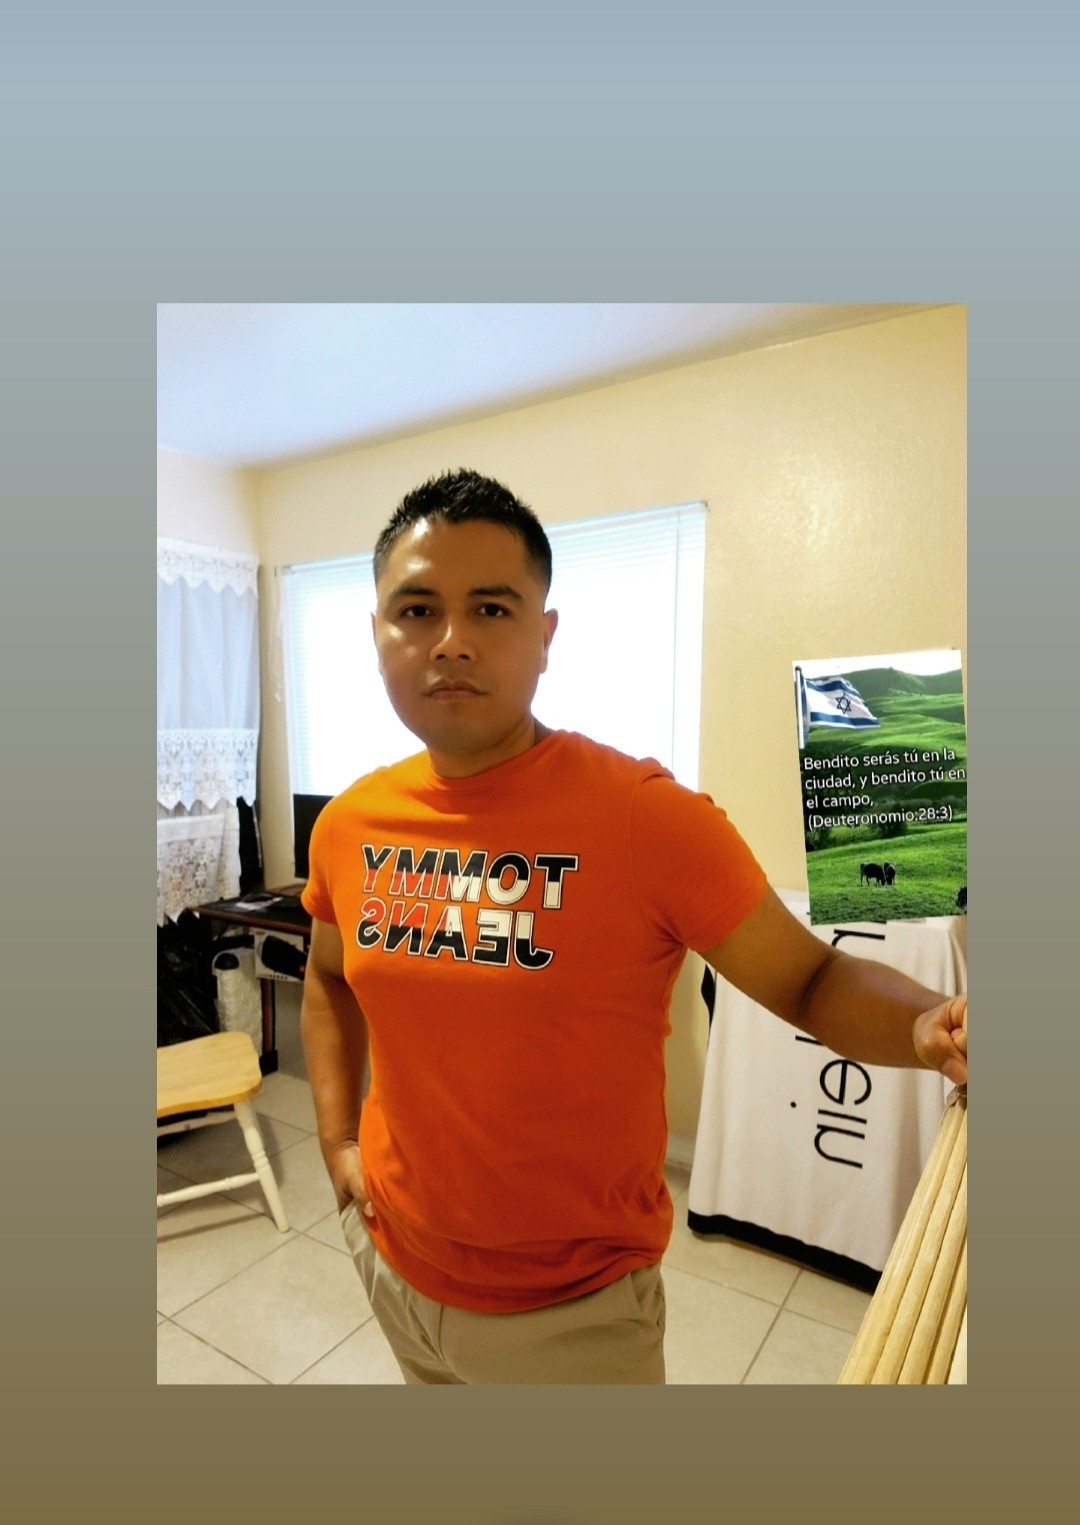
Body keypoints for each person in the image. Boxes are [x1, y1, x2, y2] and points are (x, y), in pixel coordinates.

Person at [299, 467, 968, 1385]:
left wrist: (928, 1024)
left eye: (490, 608)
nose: (450, 640)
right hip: (393, 1264)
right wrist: (338, 1143)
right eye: (416, 610)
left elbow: (810, 979)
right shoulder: (348, 824)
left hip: (572, 1313)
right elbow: (328, 977)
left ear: (544, 637)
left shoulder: (645, 816)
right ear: (377, 631)